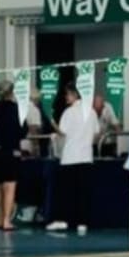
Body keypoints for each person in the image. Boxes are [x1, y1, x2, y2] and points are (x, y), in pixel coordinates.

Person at [46, 83, 96, 236]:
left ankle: (64, 220)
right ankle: (82, 223)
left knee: (67, 192)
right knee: (83, 192)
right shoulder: (91, 111)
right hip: (86, 156)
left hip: (70, 157)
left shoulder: (69, 112)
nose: (65, 97)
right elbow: (97, 131)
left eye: (67, 94)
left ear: (75, 94)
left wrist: (52, 122)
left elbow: (62, 132)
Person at [0, 79, 25, 232]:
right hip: (10, 150)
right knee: (10, 186)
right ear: (12, 92)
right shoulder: (16, 109)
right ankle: (6, 221)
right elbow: (23, 130)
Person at [91, 91, 120, 155]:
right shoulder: (88, 110)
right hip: (91, 142)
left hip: (105, 141)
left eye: (100, 110)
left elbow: (115, 124)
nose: (98, 113)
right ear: (93, 106)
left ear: (103, 106)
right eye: (96, 110)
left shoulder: (108, 107)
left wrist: (120, 142)